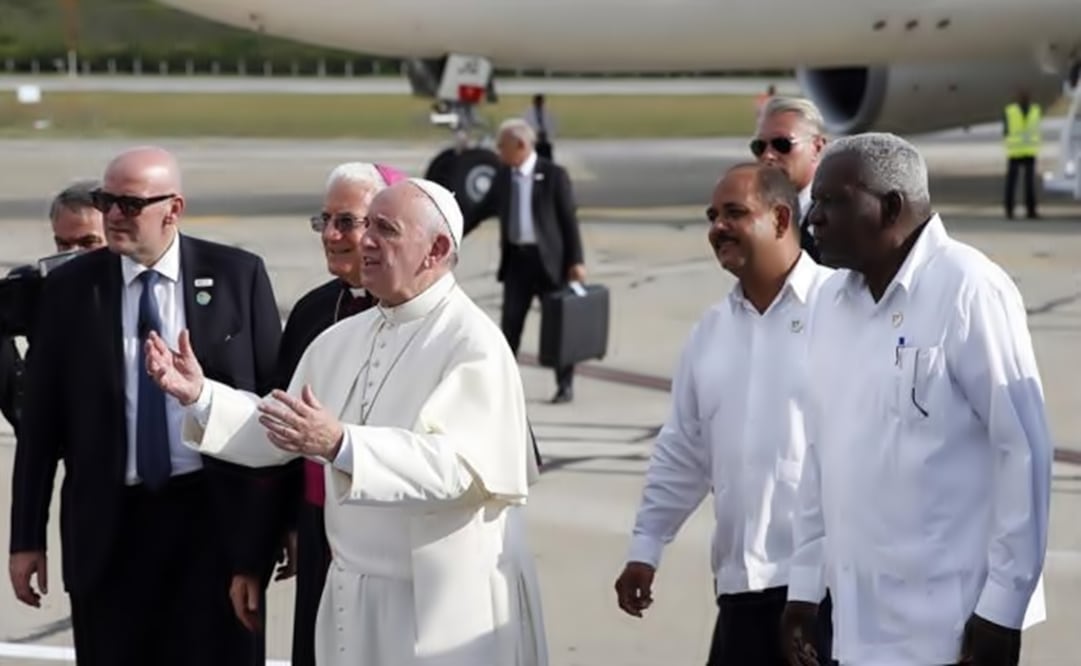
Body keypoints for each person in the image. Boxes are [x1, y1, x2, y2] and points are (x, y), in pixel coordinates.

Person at [145, 178, 547, 666]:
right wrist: (202, 395)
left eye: (386, 229)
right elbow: (282, 430)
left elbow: (460, 469)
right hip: (353, 592)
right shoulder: (341, 338)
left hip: (442, 602)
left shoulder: (474, 344)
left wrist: (342, 445)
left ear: (436, 249)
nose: (366, 241)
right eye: (368, 226)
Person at [781, 132, 1051, 666]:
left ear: (890, 207)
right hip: (856, 626)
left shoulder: (970, 289)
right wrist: (804, 588)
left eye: (832, 202)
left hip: (951, 631)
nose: (813, 219)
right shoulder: (830, 303)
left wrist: (1004, 608)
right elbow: (821, 454)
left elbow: (1024, 452)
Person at [8, 146, 282, 666]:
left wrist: (278, 527)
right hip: (111, 530)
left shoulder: (236, 277)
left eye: (128, 205)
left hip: (213, 526)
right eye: (105, 200)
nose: (112, 214)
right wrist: (26, 538)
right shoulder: (69, 289)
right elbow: (41, 425)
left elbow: (272, 406)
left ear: (172, 209)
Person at [613, 163, 834, 665]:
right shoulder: (710, 333)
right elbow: (684, 450)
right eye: (712, 216)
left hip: (827, 595)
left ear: (781, 219)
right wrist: (646, 548)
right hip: (741, 593)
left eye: (735, 213)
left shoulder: (841, 311)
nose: (717, 227)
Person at [228, 161, 408, 666]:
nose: (330, 234)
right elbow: (280, 443)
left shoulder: (431, 321)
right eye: (323, 220)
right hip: (320, 537)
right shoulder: (312, 312)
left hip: (394, 549)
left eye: (346, 221)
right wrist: (254, 557)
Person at [463, 117, 587, 403]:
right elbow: (479, 212)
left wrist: (576, 261)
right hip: (517, 263)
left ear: (520, 145)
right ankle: (502, 385)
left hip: (550, 264)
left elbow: (569, 222)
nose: (497, 152)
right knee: (510, 327)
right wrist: (450, 232)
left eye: (501, 146)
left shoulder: (554, 175)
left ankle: (564, 384)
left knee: (559, 326)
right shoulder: (504, 176)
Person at [0, 179, 107, 434]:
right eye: (64, 244)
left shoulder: (142, 293)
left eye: (89, 243)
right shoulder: (40, 290)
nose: (73, 254)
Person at [752, 96, 828, 262]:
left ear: (817, 147)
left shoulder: (839, 217)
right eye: (759, 147)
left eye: (782, 144)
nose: (768, 155)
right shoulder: (757, 215)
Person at [1003, 89, 1041, 219]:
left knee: (1027, 184)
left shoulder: (1034, 110)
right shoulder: (1011, 111)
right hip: (1017, 151)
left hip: (1027, 151)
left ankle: (1028, 211)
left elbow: (1006, 131)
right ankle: (1011, 210)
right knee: (1014, 183)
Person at [524, 93, 555, 160]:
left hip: (545, 141)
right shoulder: (528, 113)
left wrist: (545, 134)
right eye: (537, 102)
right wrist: (536, 134)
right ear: (534, 102)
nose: (539, 103)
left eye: (540, 102)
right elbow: (526, 126)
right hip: (534, 141)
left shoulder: (548, 112)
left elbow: (552, 125)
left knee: (547, 158)